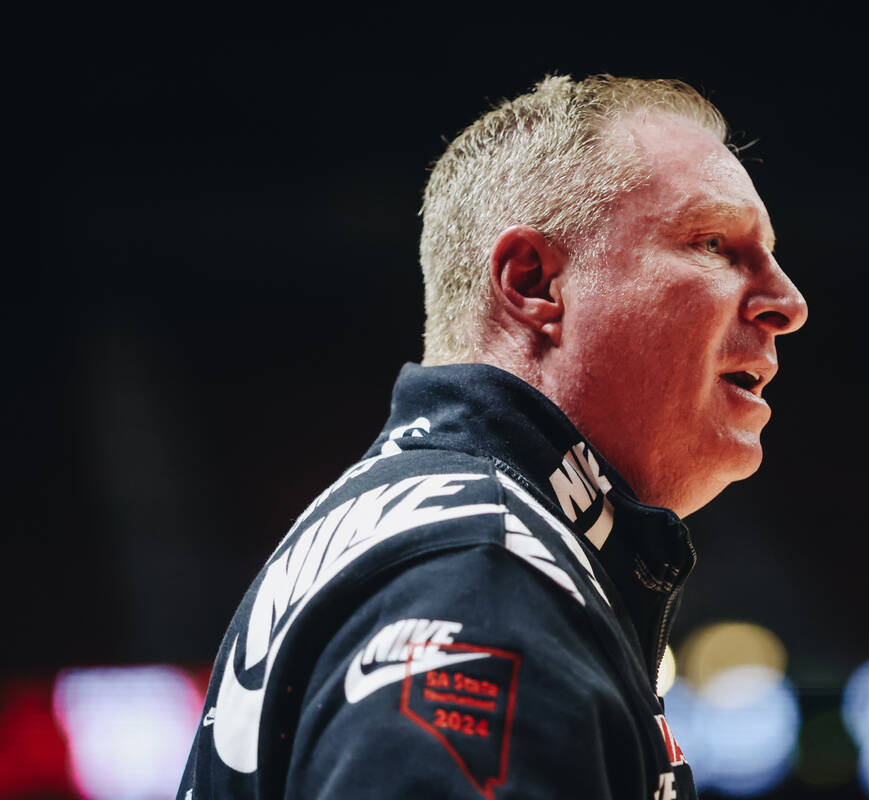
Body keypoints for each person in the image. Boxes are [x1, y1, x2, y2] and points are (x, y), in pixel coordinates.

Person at [178, 74, 806, 800]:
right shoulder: (487, 576)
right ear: (534, 283)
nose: (788, 302)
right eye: (714, 243)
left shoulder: (423, 523)